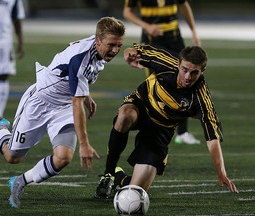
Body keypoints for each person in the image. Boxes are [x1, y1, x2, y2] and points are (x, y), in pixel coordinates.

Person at [0, 16, 125, 208]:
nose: (115, 50)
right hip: (40, 102)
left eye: (119, 45)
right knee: (13, 157)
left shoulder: (99, 50)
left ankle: (20, 182)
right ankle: (0, 131)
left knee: (64, 157)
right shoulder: (81, 57)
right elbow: (77, 88)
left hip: (63, 106)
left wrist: (86, 94)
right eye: (111, 45)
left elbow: (75, 77)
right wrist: (84, 144)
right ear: (98, 40)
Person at [95, 44, 238, 199]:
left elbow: (212, 138)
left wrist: (221, 172)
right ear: (178, 64)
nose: (188, 77)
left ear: (202, 71)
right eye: (184, 70)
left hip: (161, 130)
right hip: (141, 105)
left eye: (194, 72)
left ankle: (119, 177)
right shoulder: (165, 62)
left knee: (136, 192)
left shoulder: (201, 98)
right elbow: (134, 49)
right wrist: (128, 54)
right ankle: (108, 174)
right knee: (125, 115)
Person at [123, 0, 201, 144]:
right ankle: (153, 129)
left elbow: (184, 5)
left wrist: (193, 30)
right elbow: (127, 12)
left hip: (174, 38)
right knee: (155, 83)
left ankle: (182, 133)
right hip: (152, 40)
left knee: (184, 82)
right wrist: (146, 26)